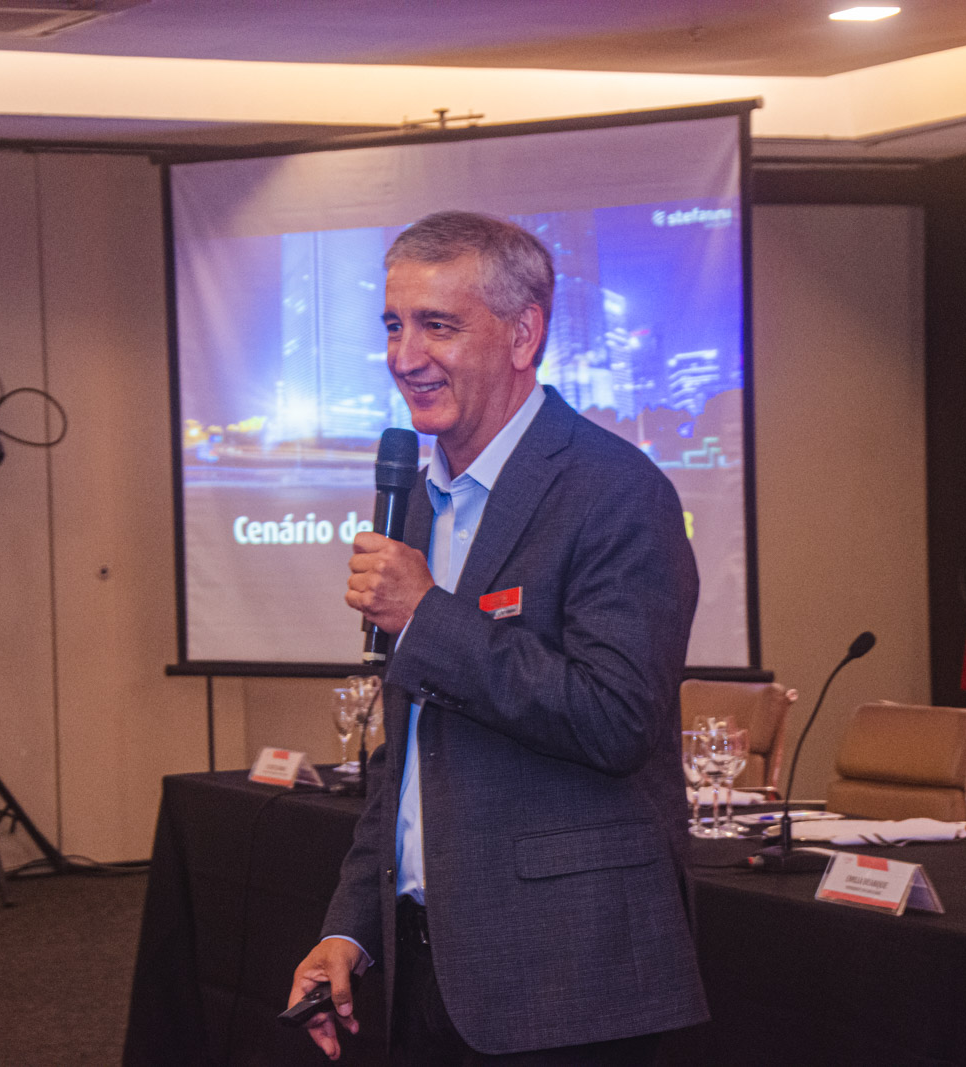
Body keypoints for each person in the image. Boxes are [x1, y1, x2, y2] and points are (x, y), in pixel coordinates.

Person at [288, 210, 706, 1065]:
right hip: (426, 970)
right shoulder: (417, 501)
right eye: (395, 325)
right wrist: (350, 929)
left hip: (570, 984)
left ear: (524, 334)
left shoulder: (616, 491)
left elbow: (616, 717)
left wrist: (428, 615)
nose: (405, 355)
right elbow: (408, 757)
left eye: (438, 325)